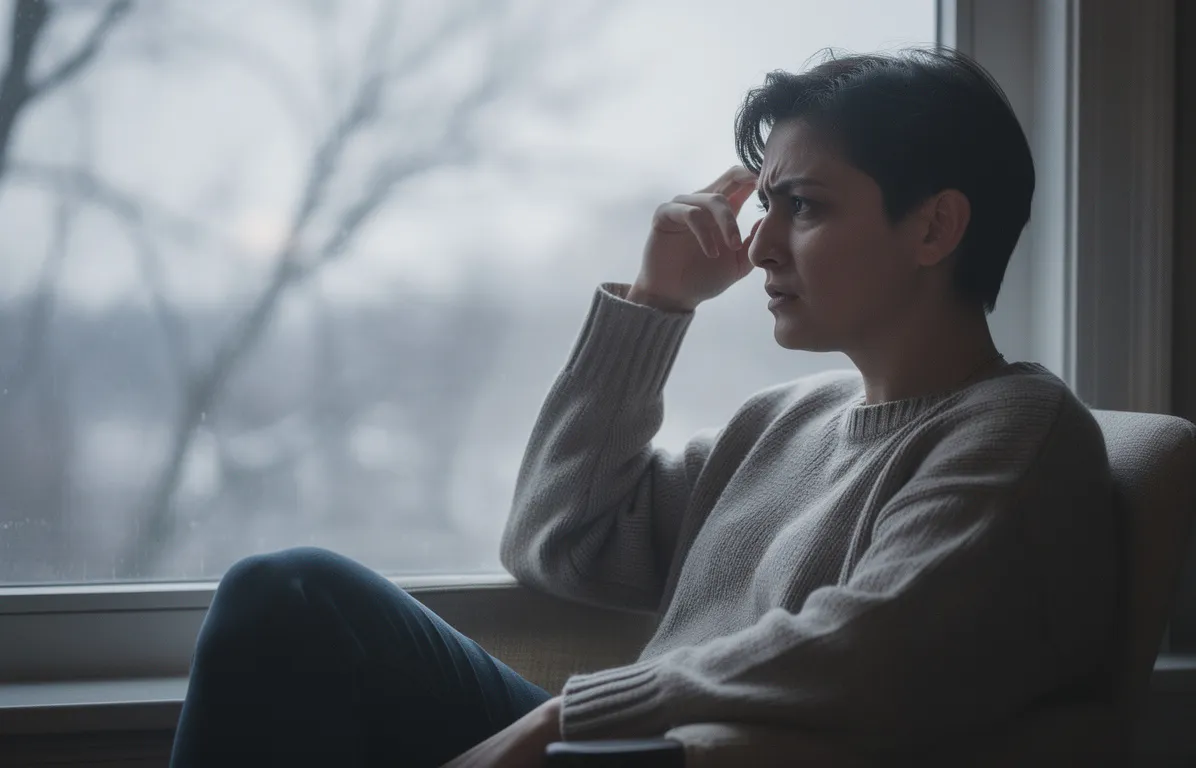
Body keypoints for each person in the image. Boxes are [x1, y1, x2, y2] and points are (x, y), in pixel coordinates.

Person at [168, 46, 1118, 768]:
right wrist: (652, 306)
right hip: (606, 751)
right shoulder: (784, 424)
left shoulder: (1016, 434)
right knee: (290, 597)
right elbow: (556, 542)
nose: (758, 250)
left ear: (935, 225)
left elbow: (868, 655)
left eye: (807, 208)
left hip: (658, 758)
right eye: (767, 205)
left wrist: (565, 717)